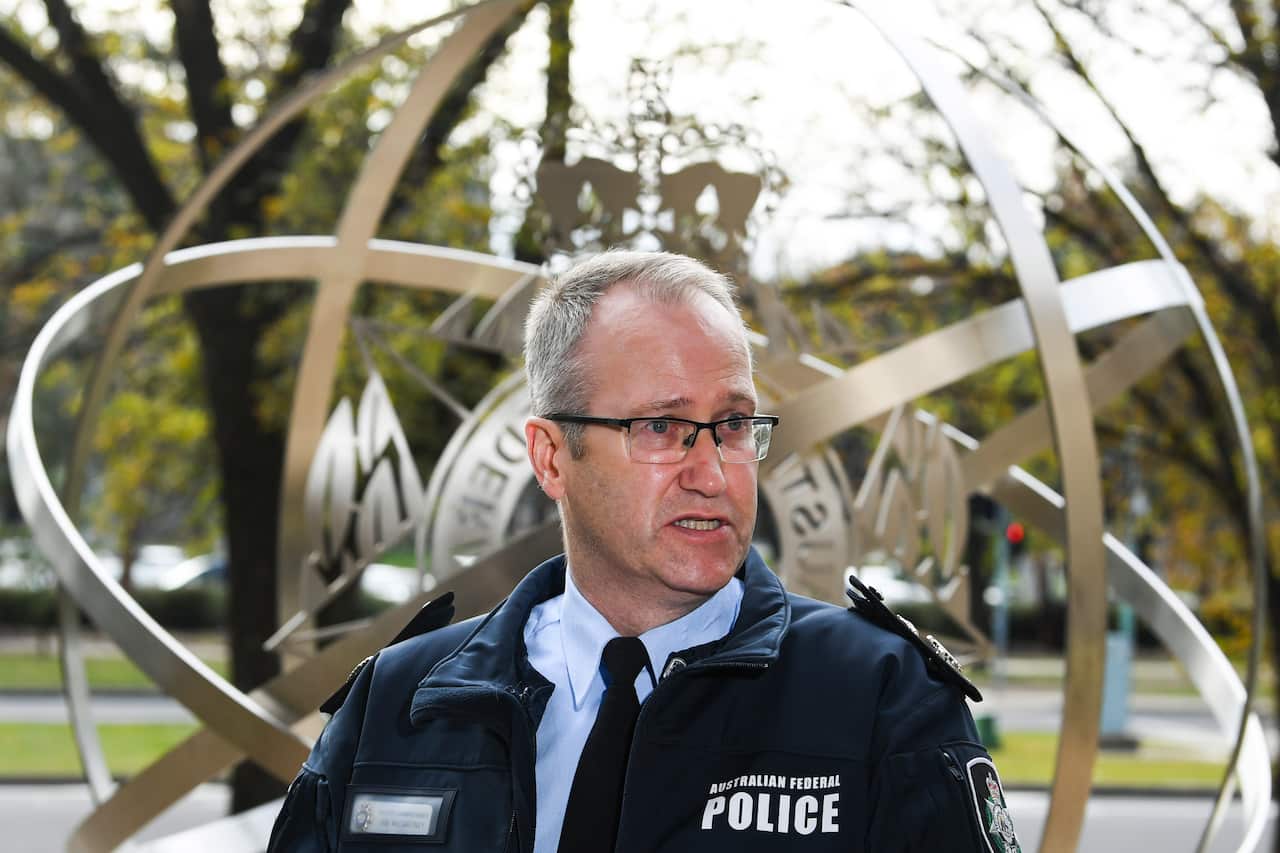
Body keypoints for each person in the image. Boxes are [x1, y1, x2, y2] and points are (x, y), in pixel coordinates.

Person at [268, 251, 1019, 852]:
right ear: (552, 456)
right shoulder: (400, 704)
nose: (713, 470)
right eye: (660, 427)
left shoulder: (882, 698)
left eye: (731, 424)